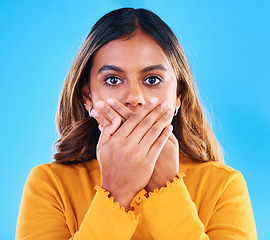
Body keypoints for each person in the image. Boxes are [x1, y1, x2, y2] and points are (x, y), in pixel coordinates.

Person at [16, 7, 257, 240]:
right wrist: (115, 192)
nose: (134, 98)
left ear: (178, 96)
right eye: (112, 79)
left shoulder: (223, 185)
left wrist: (166, 187)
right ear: (87, 96)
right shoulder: (50, 185)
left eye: (152, 79)